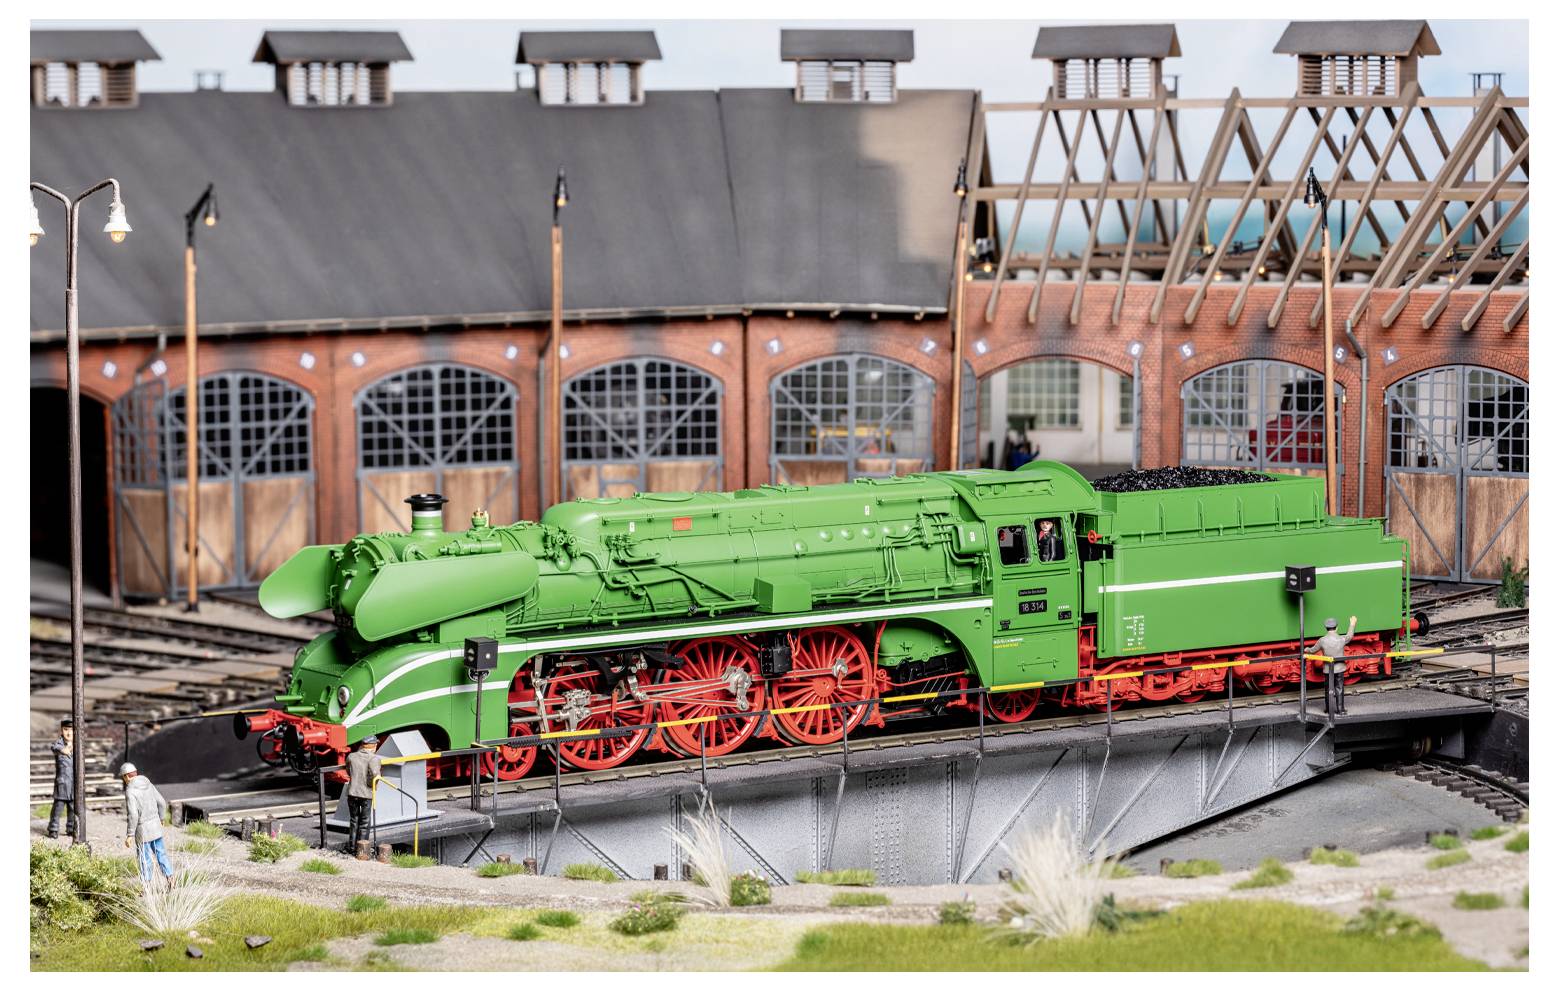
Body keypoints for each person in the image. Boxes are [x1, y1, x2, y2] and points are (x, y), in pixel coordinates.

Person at [122, 763, 174, 887]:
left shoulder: (130, 791)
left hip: (143, 830)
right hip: (156, 826)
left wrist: (130, 834)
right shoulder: (148, 784)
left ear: (126, 776)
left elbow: (133, 815)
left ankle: (146, 885)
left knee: (144, 858)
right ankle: (171, 879)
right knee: (161, 853)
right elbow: (161, 802)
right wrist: (161, 817)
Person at [344, 736, 382, 854]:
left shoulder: (351, 756)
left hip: (352, 792)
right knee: (364, 822)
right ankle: (361, 850)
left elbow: (348, 771)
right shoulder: (374, 758)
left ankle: (352, 847)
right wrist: (370, 785)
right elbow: (375, 775)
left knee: (353, 820)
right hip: (366, 794)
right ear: (374, 746)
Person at [1313, 616, 1357, 716]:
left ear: (1326, 628)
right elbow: (1350, 636)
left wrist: (1306, 649)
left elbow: (1313, 650)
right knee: (1339, 688)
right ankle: (1340, 710)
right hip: (1339, 668)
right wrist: (1352, 624)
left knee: (1328, 689)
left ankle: (1328, 710)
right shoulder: (1341, 639)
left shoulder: (1322, 640)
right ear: (1336, 628)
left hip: (1327, 669)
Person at [47, 720, 77, 840]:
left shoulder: (78, 744)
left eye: (71, 730)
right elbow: (54, 747)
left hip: (73, 783)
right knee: (58, 808)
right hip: (62, 783)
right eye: (66, 730)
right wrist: (63, 749)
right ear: (61, 731)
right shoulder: (58, 745)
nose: (68, 733)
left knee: (72, 807)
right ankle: (53, 829)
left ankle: (71, 828)